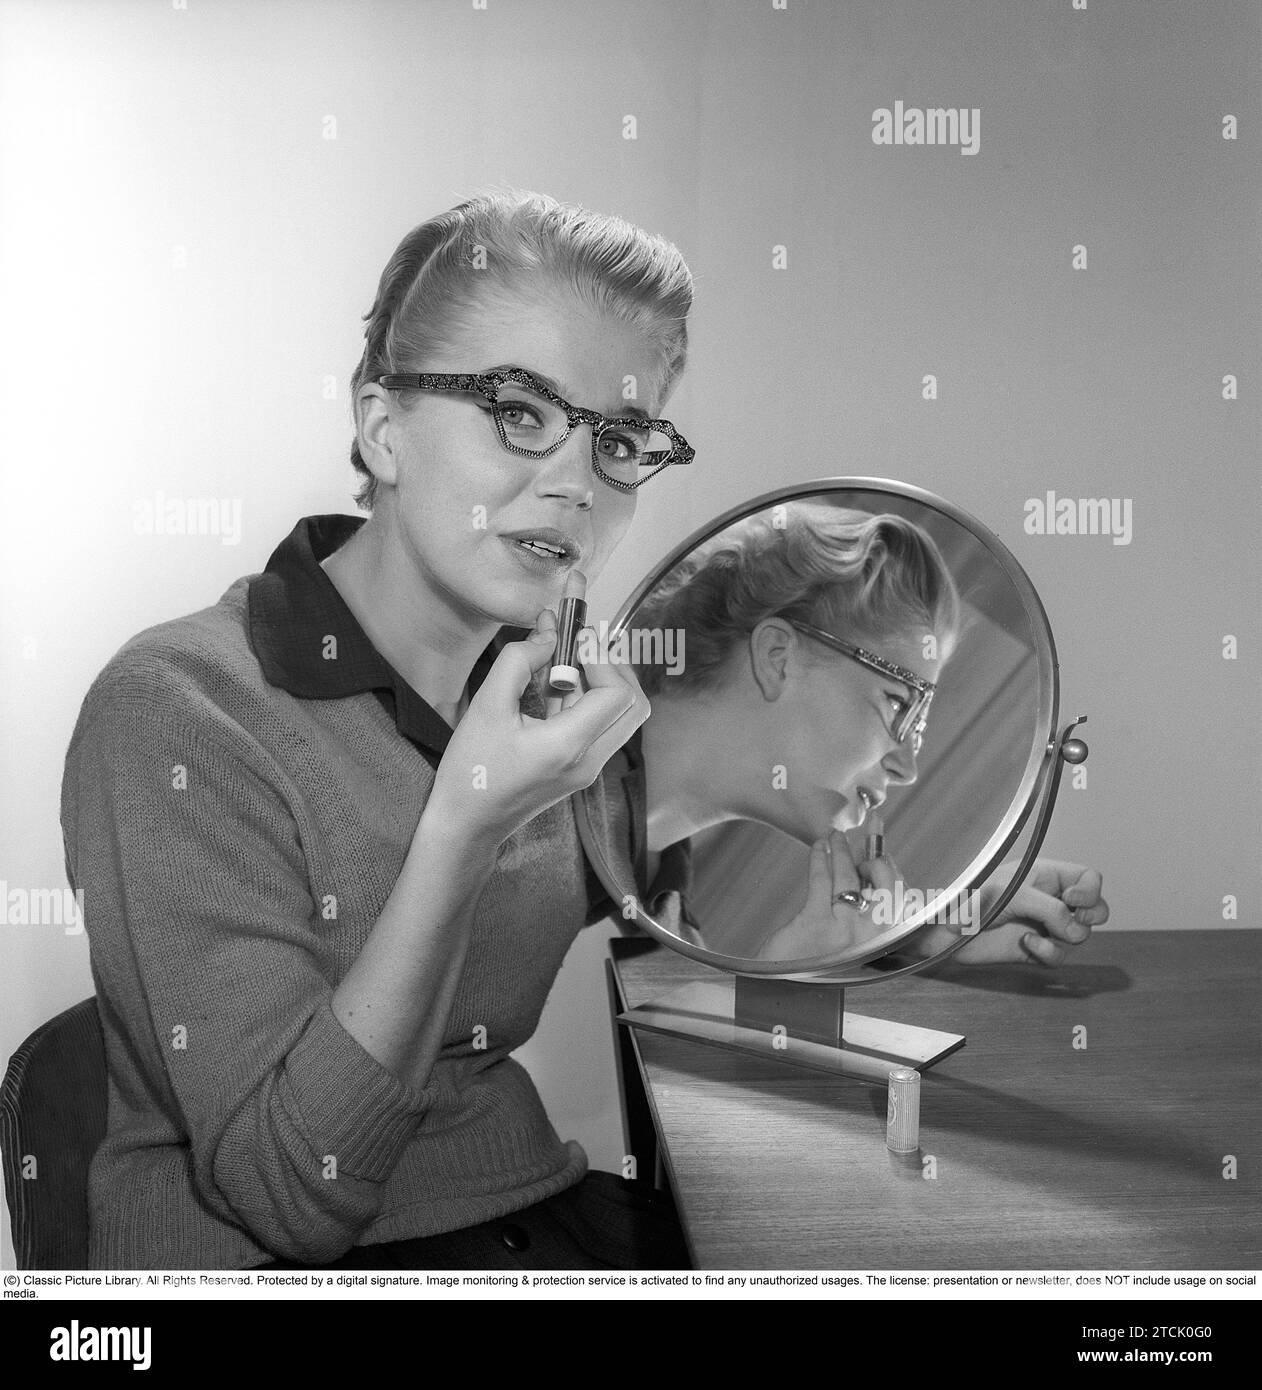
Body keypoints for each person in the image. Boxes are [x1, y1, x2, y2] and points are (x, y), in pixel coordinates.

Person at [60, 189, 695, 1271]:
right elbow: (289, 1195)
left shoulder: (534, 698)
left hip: (527, 1218)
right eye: (521, 412)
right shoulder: (179, 707)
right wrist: (464, 827)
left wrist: (937, 905)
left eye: (621, 439)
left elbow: (694, 882)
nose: (577, 484)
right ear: (382, 429)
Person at [622, 502, 1109, 962]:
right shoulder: (549, 830)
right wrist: (786, 990)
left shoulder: (652, 888)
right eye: (898, 702)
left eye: (917, 727)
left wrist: (922, 937)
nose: (907, 768)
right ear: (777, 656)